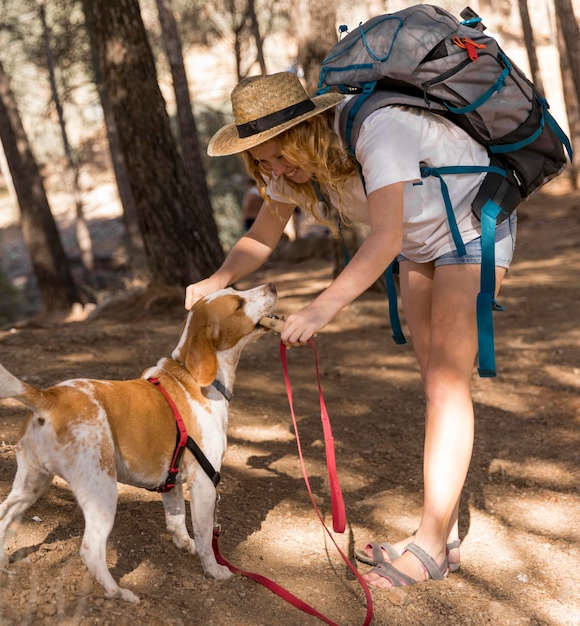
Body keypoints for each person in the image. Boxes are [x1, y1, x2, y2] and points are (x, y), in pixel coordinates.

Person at [184, 71, 517, 589]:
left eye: (278, 154)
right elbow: (262, 234)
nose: (275, 168)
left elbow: (383, 239)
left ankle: (429, 546)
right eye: (262, 161)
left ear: (305, 129)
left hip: (471, 228)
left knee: (448, 385)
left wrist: (320, 309)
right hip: (421, 241)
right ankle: (441, 532)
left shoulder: (379, 132)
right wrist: (217, 279)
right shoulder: (288, 167)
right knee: (434, 385)